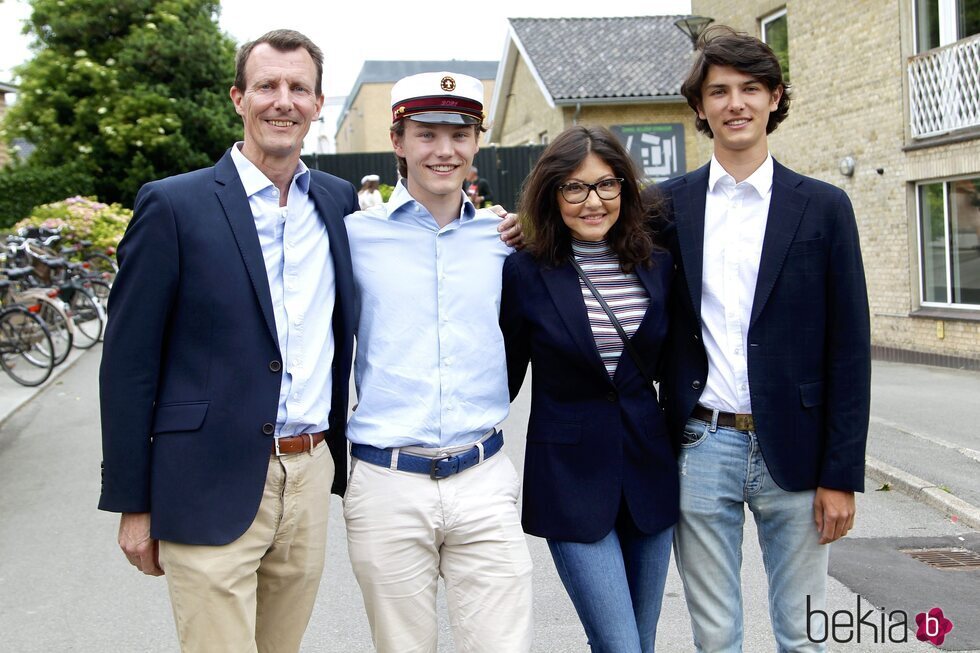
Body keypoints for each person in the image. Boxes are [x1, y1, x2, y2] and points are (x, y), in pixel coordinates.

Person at [98, 30, 359, 652]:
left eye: (298, 88)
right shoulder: (172, 205)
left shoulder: (338, 202)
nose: (282, 101)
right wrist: (134, 502)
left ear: (318, 104)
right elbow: (129, 364)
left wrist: (514, 233)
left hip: (309, 470)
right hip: (203, 480)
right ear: (238, 98)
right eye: (267, 85)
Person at [656, 26, 871, 652]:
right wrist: (514, 232)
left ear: (775, 97)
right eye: (718, 91)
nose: (735, 103)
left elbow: (849, 349)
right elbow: (593, 254)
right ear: (700, 107)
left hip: (798, 455)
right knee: (716, 636)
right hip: (700, 445)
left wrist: (842, 474)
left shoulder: (824, 207)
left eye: (751, 88)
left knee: (804, 633)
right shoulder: (664, 207)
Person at [342, 71, 533, 652]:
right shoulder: (353, 237)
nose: (443, 151)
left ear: (478, 140)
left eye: (459, 133)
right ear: (397, 141)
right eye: (426, 134)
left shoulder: (507, 241)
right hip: (386, 482)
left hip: (482, 476)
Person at [500, 125, 678, 653]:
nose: (593, 201)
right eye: (574, 188)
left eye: (606, 185)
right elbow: (503, 376)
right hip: (570, 481)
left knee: (639, 644)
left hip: (649, 473)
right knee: (620, 644)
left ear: (624, 188)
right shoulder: (526, 272)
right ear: (553, 194)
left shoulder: (658, 265)